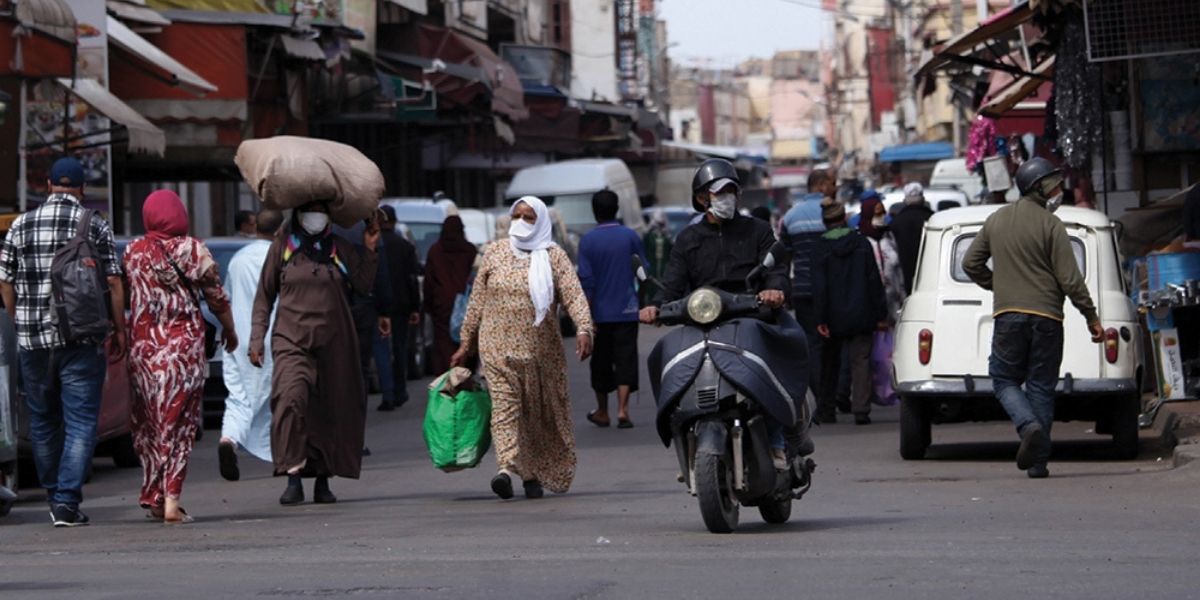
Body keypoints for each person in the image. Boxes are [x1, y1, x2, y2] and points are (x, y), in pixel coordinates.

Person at [639, 159, 811, 468]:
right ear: (702, 198)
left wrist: (774, 290)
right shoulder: (688, 238)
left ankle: (782, 432)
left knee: (791, 342)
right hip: (701, 319)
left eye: (731, 191)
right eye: (719, 193)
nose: (726, 198)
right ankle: (681, 427)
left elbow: (776, 269)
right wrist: (656, 305)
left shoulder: (758, 230)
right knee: (663, 353)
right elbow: (672, 282)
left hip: (752, 314)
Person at [0, 157, 127, 527]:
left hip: (33, 340)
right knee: (81, 420)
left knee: (42, 419)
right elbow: (114, 280)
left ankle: (55, 493)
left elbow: (4, 279)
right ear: (83, 188)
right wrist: (119, 329)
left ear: (48, 184)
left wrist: (16, 318)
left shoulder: (20, 224)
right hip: (82, 336)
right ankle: (67, 502)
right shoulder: (94, 224)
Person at [963, 157, 1103, 479]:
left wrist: (997, 284)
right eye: (1052, 186)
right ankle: (1038, 462)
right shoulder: (1052, 225)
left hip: (1008, 315)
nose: (1058, 191)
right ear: (1036, 188)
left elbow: (971, 263)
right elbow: (1070, 280)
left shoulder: (996, 220)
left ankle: (1028, 427)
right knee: (1040, 387)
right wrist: (1091, 317)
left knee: (1004, 380)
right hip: (1048, 316)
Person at [450, 196, 594, 500]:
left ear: (540, 222)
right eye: (516, 216)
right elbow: (477, 301)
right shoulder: (495, 252)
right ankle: (505, 468)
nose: (520, 222)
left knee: (534, 414)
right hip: (496, 348)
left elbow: (573, 295)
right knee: (505, 408)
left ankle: (531, 475)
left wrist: (584, 328)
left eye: (528, 217)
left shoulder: (553, 256)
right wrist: (466, 342)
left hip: (541, 353)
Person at [249, 201, 379, 505]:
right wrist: (256, 338)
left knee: (328, 409)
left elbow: (363, 285)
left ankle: (323, 478)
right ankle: (293, 474)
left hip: (334, 341)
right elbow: (264, 295)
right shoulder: (284, 247)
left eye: (321, 210)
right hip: (291, 340)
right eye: (310, 210)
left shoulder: (339, 248)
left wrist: (371, 249)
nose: (315, 216)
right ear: (298, 215)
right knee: (290, 399)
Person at [124, 190, 237, 524]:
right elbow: (217, 298)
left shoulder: (133, 252)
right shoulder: (194, 250)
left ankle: (154, 497)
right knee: (180, 425)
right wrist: (230, 331)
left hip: (144, 351)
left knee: (149, 426)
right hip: (183, 352)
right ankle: (171, 500)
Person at [218, 208, 285, 482]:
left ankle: (228, 438)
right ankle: (282, 456)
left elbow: (226, 298)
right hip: (273, 336)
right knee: (278, 397)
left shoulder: (238, 259)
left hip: (239, 338)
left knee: (239, 396)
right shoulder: (282, 258)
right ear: (280, 231)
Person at [812, 199, 887, 425]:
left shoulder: (820, 247)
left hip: (832, 314)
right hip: (862, 310)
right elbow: (874, 279)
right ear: (844, 218)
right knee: (860, 360)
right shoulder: (862, 243)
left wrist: (820, 318)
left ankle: (827, 409)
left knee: (830, 363)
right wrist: (880, 312)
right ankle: (861, 410)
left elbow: (819, 286)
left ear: (825, 222)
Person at [578, 190, 647, 429]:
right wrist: (641, 303)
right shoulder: (630, 237)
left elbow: (586, 280)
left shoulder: (587, 241)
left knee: (601, 362)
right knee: (626, 358)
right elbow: (643, 271)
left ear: (594, 211)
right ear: (617, 209)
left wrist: (586, 317)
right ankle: (623, 410)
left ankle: (603, 411)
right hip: (627, 310)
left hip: (599, 313)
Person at [781, 168, 835, 397]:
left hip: (803, 290)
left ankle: (820, 395)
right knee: (833, 343)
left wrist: (786, 289)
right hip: (832, 290)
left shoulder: (790, 217)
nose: (834, 188)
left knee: (811, 344)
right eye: (831, 183)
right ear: (821, 185)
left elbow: (785, 259)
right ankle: (832, 394)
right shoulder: (832, 213)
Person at [378, 205, 421, 408]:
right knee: (399, 347)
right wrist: (415, 307)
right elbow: (412, 278)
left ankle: (387, 392)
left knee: (381, 349)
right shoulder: (404, 246)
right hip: (401, 304)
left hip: (378, 304)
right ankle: (400, 390)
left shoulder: (373, 244)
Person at [423, 214, 476, 375]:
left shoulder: (435, 251)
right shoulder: (469, 250)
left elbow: (429, 281)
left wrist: (428, 305)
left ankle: (447, 380)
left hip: (442, 306)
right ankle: (464, 378)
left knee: (443, 347)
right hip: (465, 306)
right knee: (465, 344)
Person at [890, 182, 934, 296]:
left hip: (906, 278)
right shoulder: (933, 219)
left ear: (905, 200)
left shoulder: (897, 222)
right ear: (923, 199)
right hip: (932, 276)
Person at [640, 209, 673, 305]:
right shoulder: (649, 236)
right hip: (652, 268)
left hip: (664, 268)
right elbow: (644, 251)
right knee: (651, 288)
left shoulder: (667, 237)